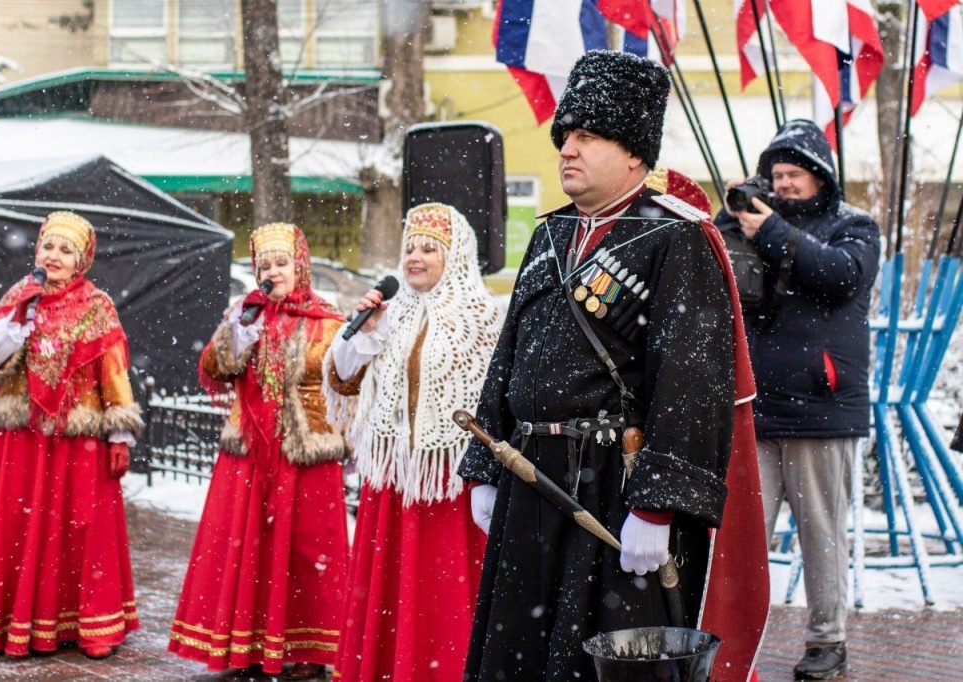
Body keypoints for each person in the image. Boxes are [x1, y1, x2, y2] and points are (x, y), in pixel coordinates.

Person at [457, 51, 768, 682]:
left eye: (588, 136)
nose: (567, 149)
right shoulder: (550, 235)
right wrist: (486, 464)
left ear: (633, 153)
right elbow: (508, 356)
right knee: (518, 656)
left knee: (600, 662)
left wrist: (657, 506)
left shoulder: (676, 237)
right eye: (565, 136)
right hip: (529, 479)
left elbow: (691, 386)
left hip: (610, 487)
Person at [714, 119, 881, 680]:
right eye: (776, 175)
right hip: (756, 409)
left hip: (820, 409)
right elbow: (719, 271)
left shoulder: (853, 226)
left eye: (794, 175)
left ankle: (827, 643)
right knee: (742, 540)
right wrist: (732, 215)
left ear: (820, 177)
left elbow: (838, 276)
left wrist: (772, 229)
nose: (783, 184)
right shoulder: (753, 221)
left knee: (821, 538)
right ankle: (731, 641)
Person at [0, 211, 142, 659]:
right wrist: (15, 320)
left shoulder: (97, 306)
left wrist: (119, 434)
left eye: (65, 250)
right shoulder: (20, 294)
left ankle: (89, 622)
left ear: (82, 259)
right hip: (25, 435)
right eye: (48, 247)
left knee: (80, 527)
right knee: (19, 525)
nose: (54, 256)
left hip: (78, 435)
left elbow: (113, 373)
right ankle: (18, 620)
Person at [323, 203, 503, 682]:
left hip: (451, 480)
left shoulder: (484, 317)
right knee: (388, 591)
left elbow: (497, 399)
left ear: (456, 255)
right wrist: (364, 333)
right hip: (394, 478)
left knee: (444, 592)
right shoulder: (389, 314)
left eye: (429, 249)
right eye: (410, 248)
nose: (415, 258)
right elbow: (343, 378)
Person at [168, 222, 350, 680]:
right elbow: (216, 368)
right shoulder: (245, 314)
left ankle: (310, 649)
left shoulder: (328, 321)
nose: (273, 272)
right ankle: (245, 644)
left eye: (282, 263)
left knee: (308, 550)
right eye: (264, 265)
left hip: (305, 453)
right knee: (247, 546)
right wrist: (238, 329)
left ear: (300, 265)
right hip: (250, 450)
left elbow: (346, 382)